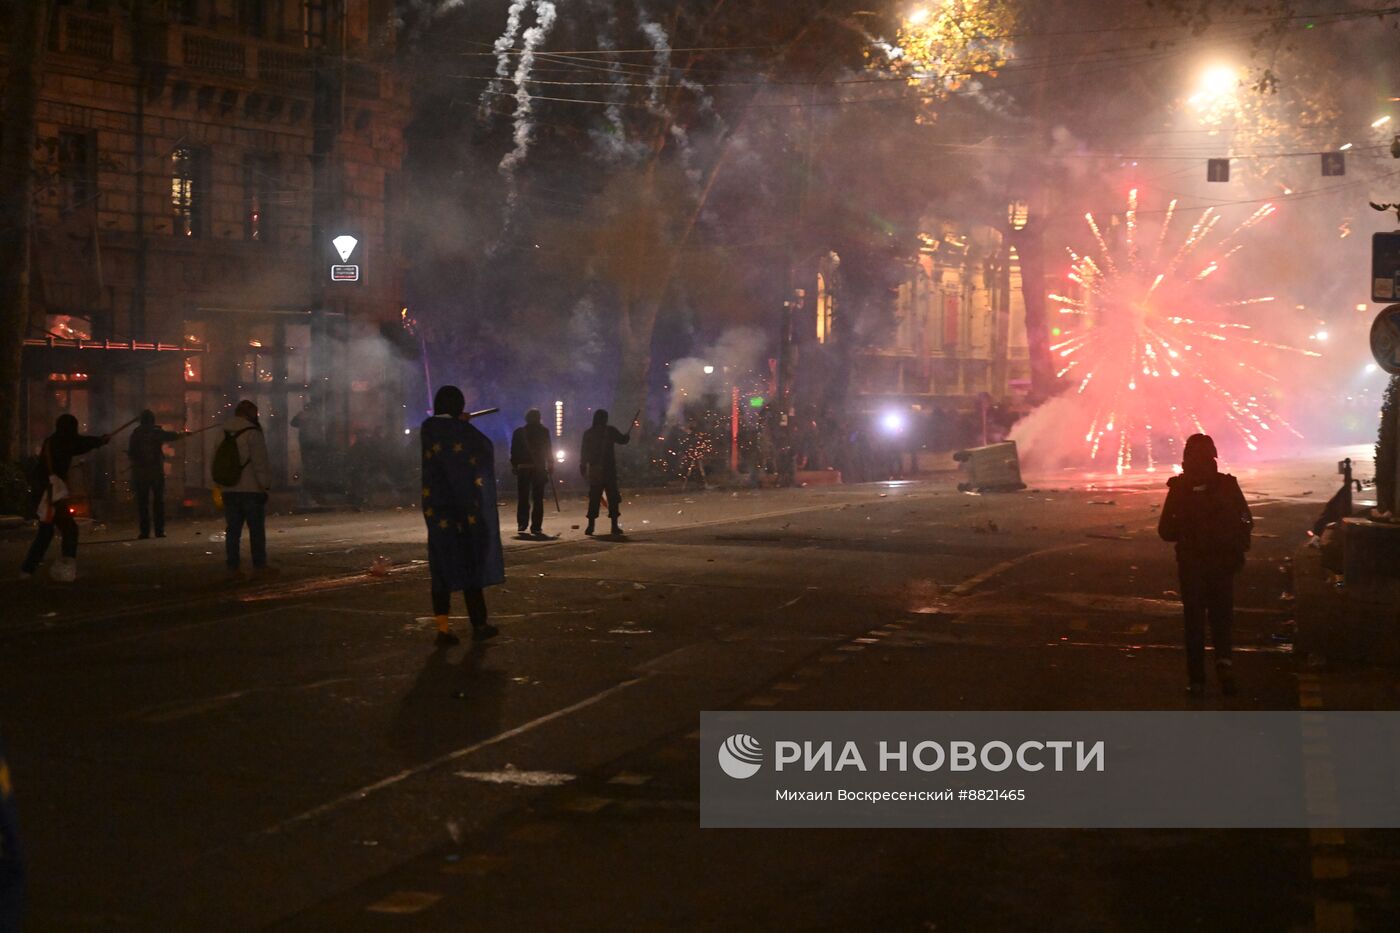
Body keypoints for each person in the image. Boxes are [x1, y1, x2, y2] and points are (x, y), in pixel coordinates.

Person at [1158, 433, 1252, 697]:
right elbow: (1246, 519)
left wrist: (1187, 532)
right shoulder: (1227, 485)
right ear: (1214, 456)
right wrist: (1239, 546)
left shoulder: (1179, 488)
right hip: (1223, 563)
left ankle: (1197, 680)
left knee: (1194, 621)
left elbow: (1165, 530)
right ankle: (1225, 667)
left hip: (1192, 566)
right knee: (1222, 618)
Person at [421, 386, 503, 645]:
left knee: (441, 566)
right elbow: (482, 447)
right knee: (471, 566)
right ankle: (479, 624)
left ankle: (443, 630)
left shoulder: (428, 427)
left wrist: (459, 423)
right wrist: (462, 424)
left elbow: (443, 436)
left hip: (437, 508)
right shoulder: (461, 431)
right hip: (465, 509)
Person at [20, 414, 110, 580]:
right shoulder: (63, 442)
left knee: (46, 533)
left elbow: (79, 443)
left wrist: (99, 440)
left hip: (45, 492)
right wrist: (99, 441)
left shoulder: (52, 441)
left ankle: (27, 569)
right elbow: (79, 444)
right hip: (51, 495)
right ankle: (66, 567)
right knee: (69, 529)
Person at [216, 400, 274, 578]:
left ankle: (232, 567)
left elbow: (215, 460)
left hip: (229, 488)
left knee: (232, 530)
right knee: (256, 530)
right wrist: (264, 486)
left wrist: (219, 484)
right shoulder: (252, 433)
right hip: (251, 489)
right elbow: (260, 462)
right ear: (250, 414)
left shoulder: (222, 432)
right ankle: (259, 566)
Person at [128, 410, 186, 539]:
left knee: (143, 503)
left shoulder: (136, 434)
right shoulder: (156, 432)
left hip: (141, 473)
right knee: (158, 502)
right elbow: (172, 436)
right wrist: (183, 434)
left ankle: (144, 532)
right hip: (155, 472)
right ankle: (159, 531)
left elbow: (131, 453)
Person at [579, 408, 632, 536]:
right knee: (613, 498)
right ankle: (614, 526)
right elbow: (623, 440)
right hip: (609, 470)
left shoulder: (588, 433)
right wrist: (627, 436)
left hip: (595, 469)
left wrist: (583, 465)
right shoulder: (610, 431)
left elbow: (584, 451)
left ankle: (590, 526)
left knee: (594, 497)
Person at [509, 409, 554, 537]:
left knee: (523, 497)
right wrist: (550, 463)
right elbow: (548, 449)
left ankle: (522, 523)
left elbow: (513, 451)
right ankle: (536, 526)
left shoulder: (519, 432)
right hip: (538, 469)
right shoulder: (544, 431)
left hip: (523, 468)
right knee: (538, 498)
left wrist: (514, 465)